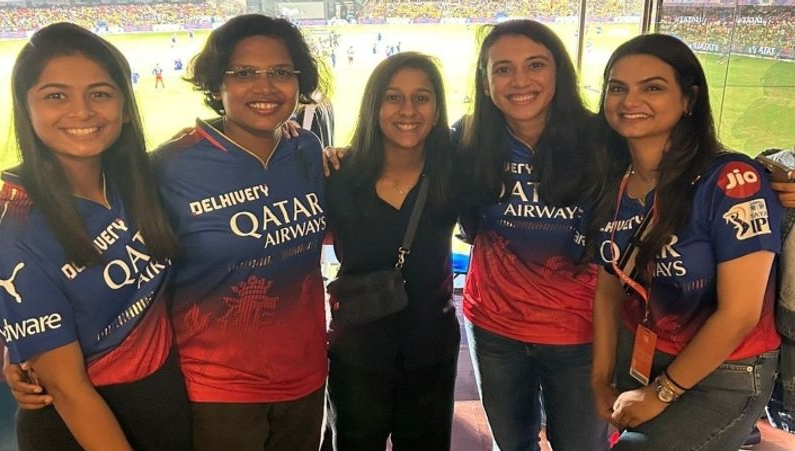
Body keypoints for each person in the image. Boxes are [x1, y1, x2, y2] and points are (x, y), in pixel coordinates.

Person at [0, 22, 190, 451]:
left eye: (99, 93)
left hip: (165, 399)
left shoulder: (138, 179)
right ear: (26, 108)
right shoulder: (14, 227)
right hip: (82, 427)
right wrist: (21, 356)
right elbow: (67, 390)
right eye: (56, 96)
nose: (82, 112)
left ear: (123, 106)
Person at [588, 33, 781, 449]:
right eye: (617, 88)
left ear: (689, 99)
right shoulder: (612, 180)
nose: (629, 100)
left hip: (724, 371)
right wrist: (600, 380)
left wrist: (662, 393)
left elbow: (741, 313)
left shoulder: (731, 181)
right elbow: (608, 287)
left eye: (652, 87)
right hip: (644, 355)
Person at [153, 14, 329, 450]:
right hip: (218, 388)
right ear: (218, 85)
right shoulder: (169, 167)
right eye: (245, 73)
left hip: (305, 375)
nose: (265, 87)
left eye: (281, 73)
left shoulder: (306, 151)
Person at [456, 20, 609, 451]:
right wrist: (335, 156)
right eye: (502, 69)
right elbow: (396, 154)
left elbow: (689, 166)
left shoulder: (603, 139)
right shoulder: (467, 139)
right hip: (495, 328)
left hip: (580, 332)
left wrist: (770, 174)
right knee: (513, 445)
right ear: (485, 83)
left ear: (558, 71)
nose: (519, 81)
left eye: (535, 65)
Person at [325, 51, 460, 451]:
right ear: (374, 106)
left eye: (421, 97)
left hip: (430, 348)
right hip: (357, 351)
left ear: (437, 112)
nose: (408, 110)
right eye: (393, 96)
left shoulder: (454, 174)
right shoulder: (338, 176)